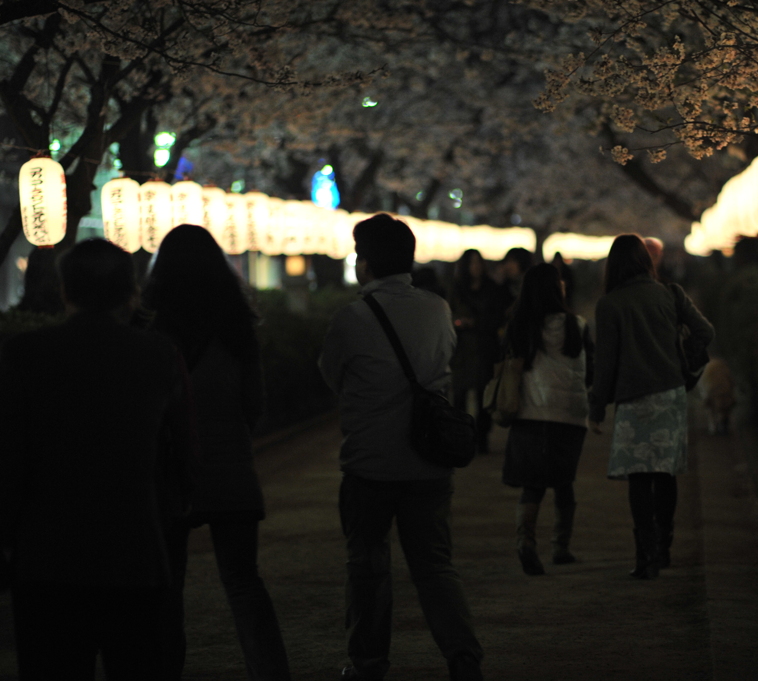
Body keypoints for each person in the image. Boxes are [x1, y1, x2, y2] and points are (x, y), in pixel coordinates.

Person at [0, 238, 195, 680]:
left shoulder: (24, 354)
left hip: (46, 553)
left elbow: (9, 456)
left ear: (66, 290)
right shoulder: (158, 354)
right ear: (131, 292)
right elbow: (182, 453)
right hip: (135, 548)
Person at [319, 214, 484, 681]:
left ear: (365, 263)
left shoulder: (351, 317)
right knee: (435, 566)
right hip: (429, 460)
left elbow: (331, 376)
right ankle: (463, 656)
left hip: (369, 462)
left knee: (367, 568)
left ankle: (369, 663)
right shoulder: (436, 308)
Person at [143, 224, 290, 681]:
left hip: (170, 474)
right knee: (243, 581)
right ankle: (269, 671)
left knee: (168, 588)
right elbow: (255, 405)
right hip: (229, 466)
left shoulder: (152, 333)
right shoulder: (237, 329)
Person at [588, 234, 713, 579]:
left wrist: (597, 408)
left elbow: (606, 364)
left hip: (633, 398)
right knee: (665, 472)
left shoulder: (610, 304)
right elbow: (705, 331)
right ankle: (664, 547)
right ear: (646, 261)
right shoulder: (669, 294)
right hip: (670, 394)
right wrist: (683, 362)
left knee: (639, 479)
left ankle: (645, 557)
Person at [502, 264, 593, 576]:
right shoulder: (576, 325)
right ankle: (560, 547)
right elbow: (589, 369)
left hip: (531, 413)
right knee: (564, 483)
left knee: (533, 485)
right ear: (557, 289)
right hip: (570, 415)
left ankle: (526, 543)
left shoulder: (521, 325)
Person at [449, 248, 506, 453]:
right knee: (460, 396)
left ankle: (482, 438)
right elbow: (449, 315)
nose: (476, 266)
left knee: (484, 396)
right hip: (462, 351)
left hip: (484, 348)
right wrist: (458, 323)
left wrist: (476, 322)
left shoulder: (492, 289)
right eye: (472, 262)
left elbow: (497, 317)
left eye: (478, 262)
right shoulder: (457, 289)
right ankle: (461, 437)